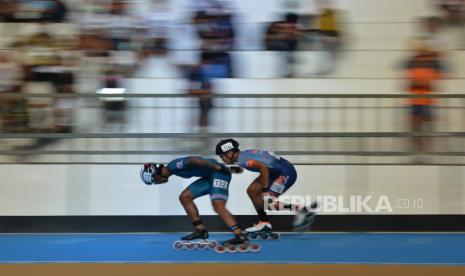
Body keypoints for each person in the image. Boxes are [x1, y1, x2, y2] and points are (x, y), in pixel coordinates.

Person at [140, 156, 254, 250]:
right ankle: (200, 230)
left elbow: (195, 160)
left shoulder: (174, 166)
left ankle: (239, 235)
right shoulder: (173, 170)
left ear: (156, 174)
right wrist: (230, 169)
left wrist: (219, 168)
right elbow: (203, 165)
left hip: (218, 174)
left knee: (218, 205)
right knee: (185, 197)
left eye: (155, 181)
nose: (158, 183)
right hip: (211, 175)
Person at [215, 139, 316, 237]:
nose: (221, 159)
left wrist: (264, 189)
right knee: (252, 191)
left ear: (230, 153)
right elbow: (243, 168)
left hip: (285, 173)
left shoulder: (243, 159)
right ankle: (264, 223)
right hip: (276, 171)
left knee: (266, 202)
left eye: (222, 156)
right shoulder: (242, 156)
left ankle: (301, 209)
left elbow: (263, 167)